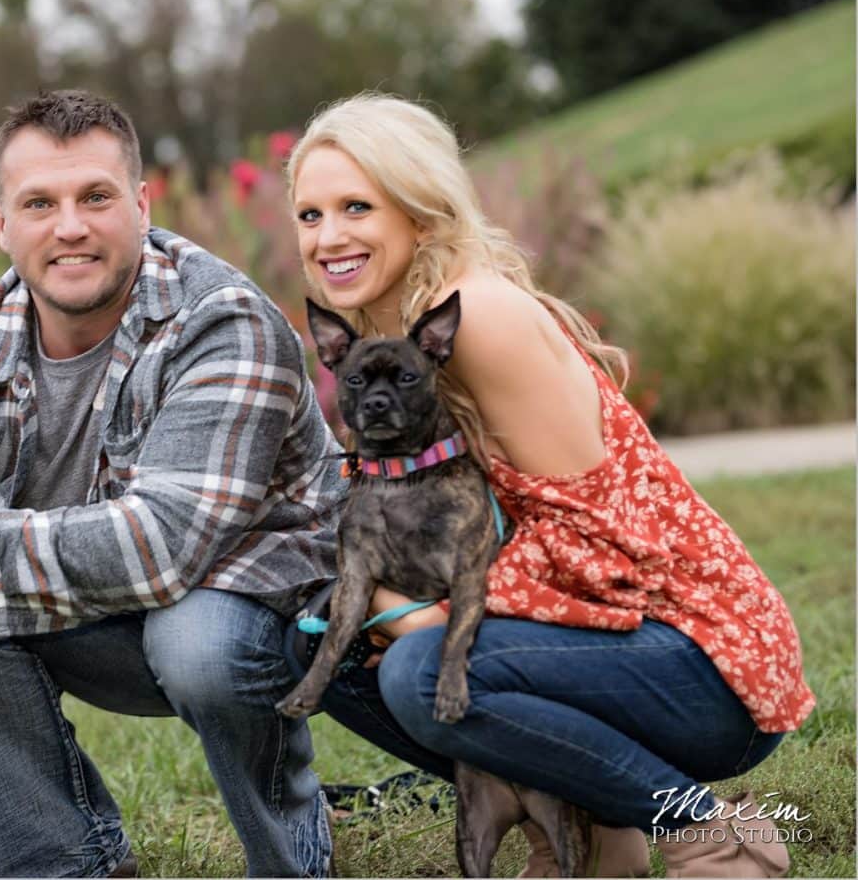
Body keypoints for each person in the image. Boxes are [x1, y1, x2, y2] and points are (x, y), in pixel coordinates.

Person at [287, 92, 815, 878]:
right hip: (621, 648)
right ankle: (591, 829)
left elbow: (601, 544)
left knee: (419, 666)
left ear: (421, 213)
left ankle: (707, 829)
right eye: (309, 215)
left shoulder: (482, 320)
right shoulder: (395, 338)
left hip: (706, 664)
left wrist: (411, 614)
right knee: (323, 647)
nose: (328, 238)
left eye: (356, 206)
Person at [0, 89, 348, 877]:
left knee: (196, 643)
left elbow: (161, 546)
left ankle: (292, 852)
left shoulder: (223, 322)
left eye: (95, 197)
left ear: (139, 205)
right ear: (2, 225)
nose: (70, 227)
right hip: (88, 607)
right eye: (40, 203)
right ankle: (66, 866)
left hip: (253, 610)